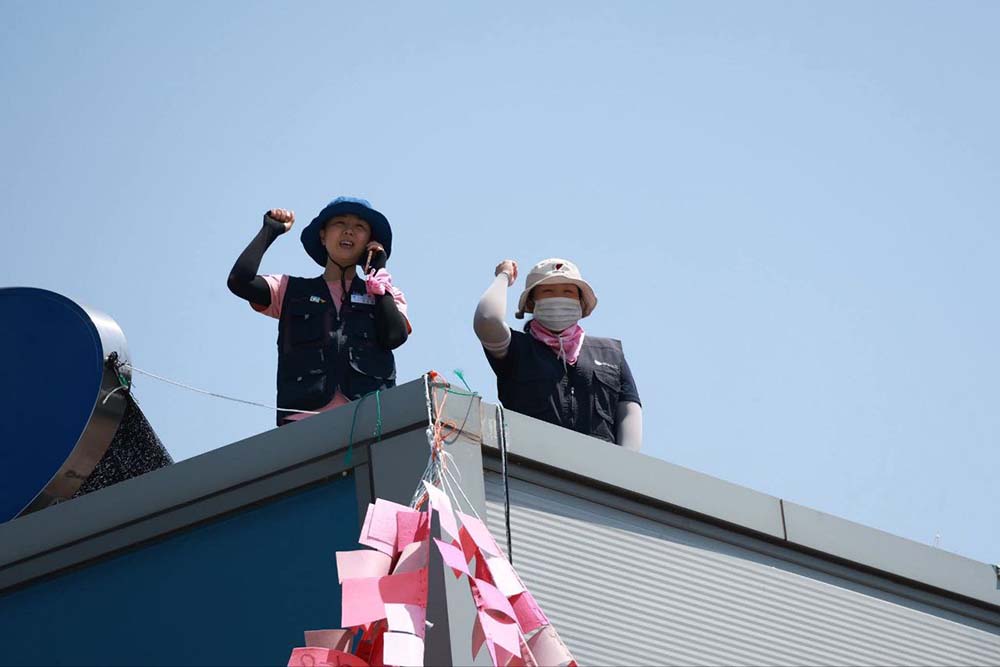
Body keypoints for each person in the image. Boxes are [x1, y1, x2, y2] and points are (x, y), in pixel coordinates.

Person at [227, 197, 410, 426]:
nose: (349, 232)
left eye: (359, 227)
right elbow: (239, 281)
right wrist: (269, 231)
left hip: (372, 421)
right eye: (340, 223)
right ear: (323, 236)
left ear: (370, 243)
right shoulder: (289, 290)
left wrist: (378, 273)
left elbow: (395, 336)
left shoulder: (388, 296)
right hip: (302, 424)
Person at [473, 258, 642, 451]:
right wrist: (504, 277)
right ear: (531, 302)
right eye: (547, 291)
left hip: (600, 473)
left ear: (580, 302)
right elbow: (487, 319)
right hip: (533, 467)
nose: (558, 298)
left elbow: (629, 412)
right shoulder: (517, 348)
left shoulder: (610, 353)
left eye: (568, 292)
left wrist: (624, 470)